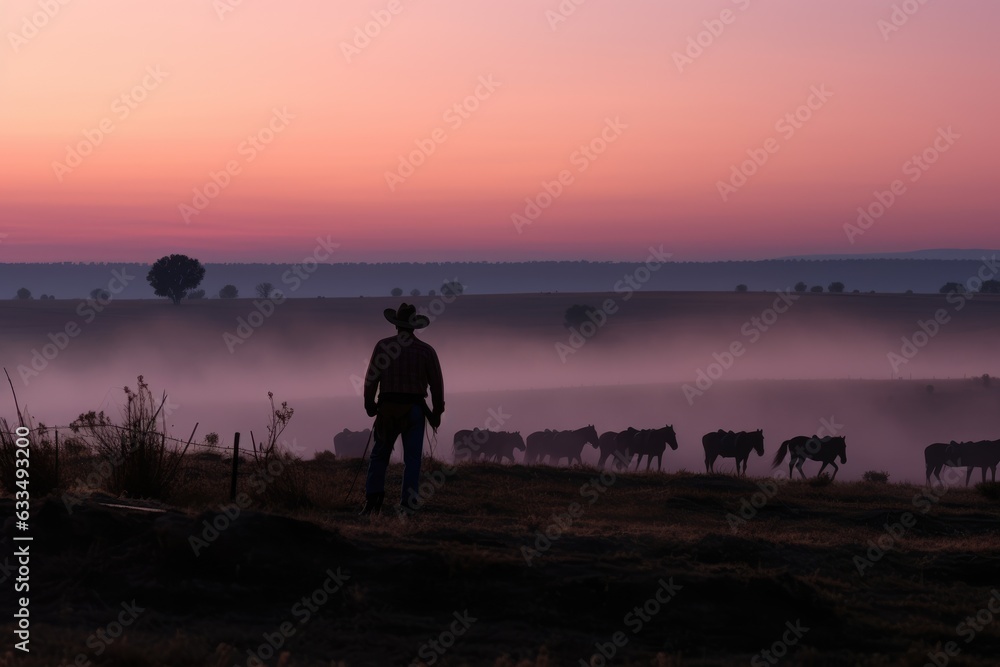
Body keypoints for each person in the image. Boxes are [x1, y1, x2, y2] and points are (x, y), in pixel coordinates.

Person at [360, 303, 444, 515]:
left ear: (396, 326)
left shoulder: (383, 346)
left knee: (379, 456)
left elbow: (371, 379)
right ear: (414, 326)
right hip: (415, 410)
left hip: (387, 409)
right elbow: (437, 385)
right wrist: (436, 412)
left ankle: (373, 501)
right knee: (413, 459)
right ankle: (407, 504)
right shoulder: (426, 351)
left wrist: (370, 405)